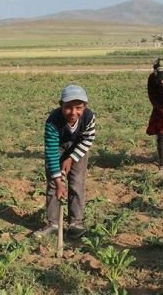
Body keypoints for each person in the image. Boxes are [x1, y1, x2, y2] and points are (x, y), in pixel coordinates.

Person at [35, 85, 96, 239]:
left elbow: (88, 139)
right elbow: (51, 152)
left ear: (85, 107)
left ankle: (76, 223)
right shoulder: (53, 122)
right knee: (53, 186)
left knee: (77, 183)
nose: (73, 112)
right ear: (60, 105)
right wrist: (58, 181)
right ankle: (53, 224)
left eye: (78, 108)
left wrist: (72, 158)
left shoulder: (88, 117)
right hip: (58, 148)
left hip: (79, 148)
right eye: (68, 107)